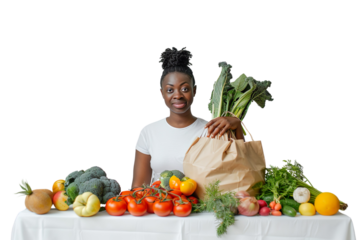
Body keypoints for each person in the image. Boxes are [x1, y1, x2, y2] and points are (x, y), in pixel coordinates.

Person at [132, 45, 246, 188]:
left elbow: (238, 169)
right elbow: (138, 187)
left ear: (194, 91)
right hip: (159, 205)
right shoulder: (148, 131)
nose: (178, 95)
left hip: (201, 207)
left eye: (185, 88)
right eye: (170, 90)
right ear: (162, 94)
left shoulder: (212, 129)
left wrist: (237, 127)